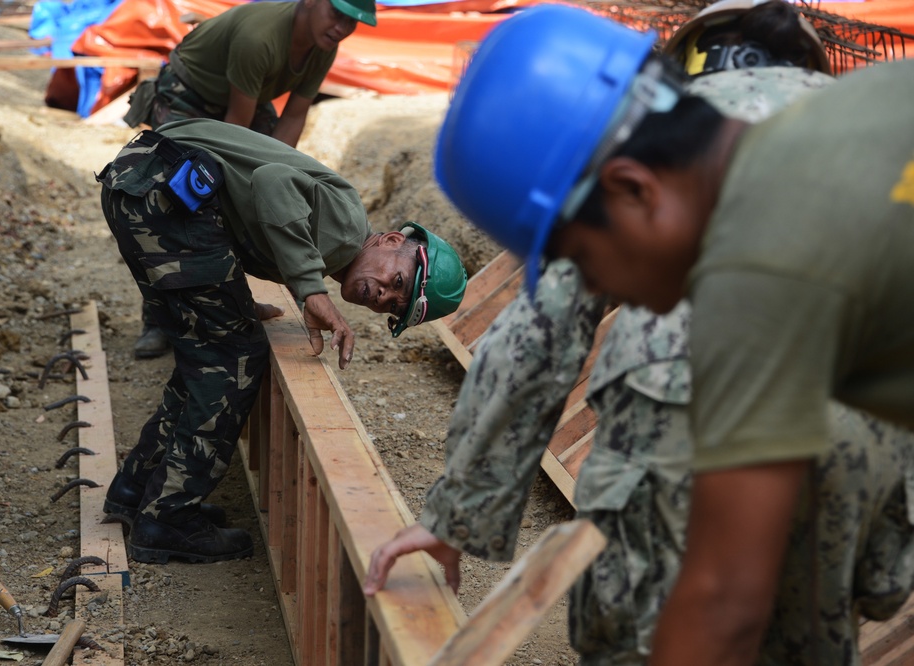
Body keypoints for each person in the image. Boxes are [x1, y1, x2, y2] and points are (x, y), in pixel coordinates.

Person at [364, 2, 914, 664]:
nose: (608, 295)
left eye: (587, 265)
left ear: (633, 189)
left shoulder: (759, 267)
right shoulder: (868, 122)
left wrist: (459, 514)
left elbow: (724, 602)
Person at [96, 118, 467, 564]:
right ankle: (167, 519)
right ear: (390, 241)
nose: (384, 295)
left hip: (144, 187)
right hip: (164, 193)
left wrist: (233, 303)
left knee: (208, 351)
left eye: (393, 306)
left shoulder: (334, 244)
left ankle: (137, 487)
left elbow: (247, 211)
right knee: (233, 358)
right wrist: (310, 288)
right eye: (397, 279)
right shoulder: (348, 224)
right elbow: (273, 183)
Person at [124, 0, 375, 359]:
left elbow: (294, 117)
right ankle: (159, 319)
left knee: (255, 204)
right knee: (182, 204)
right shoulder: (261, 37)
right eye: (337, 14)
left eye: (352, 23)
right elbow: (232, 137)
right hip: (189, 94)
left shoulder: (323, 46)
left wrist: (280, 186)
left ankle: (227, 298)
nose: (341, 28)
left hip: (242, 102)